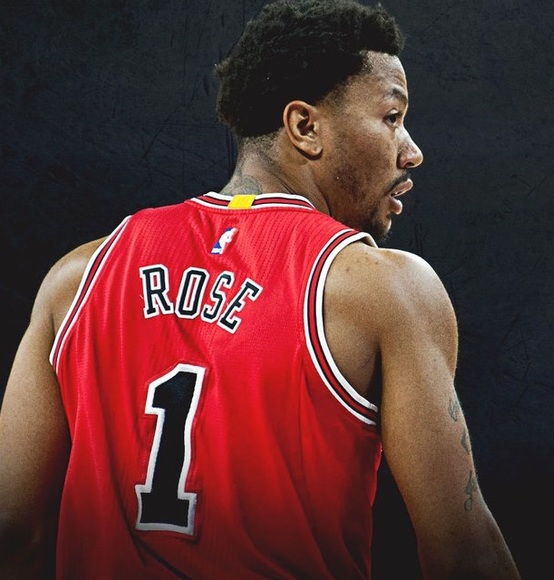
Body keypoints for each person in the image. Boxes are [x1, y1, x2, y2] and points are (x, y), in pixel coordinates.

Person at [0, 0, 521, 578]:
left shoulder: (79, 278)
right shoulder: (382, 288)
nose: (412, 151)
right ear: (305, 127)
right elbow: (462, 553)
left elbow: (14, 535)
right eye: (392, 117)